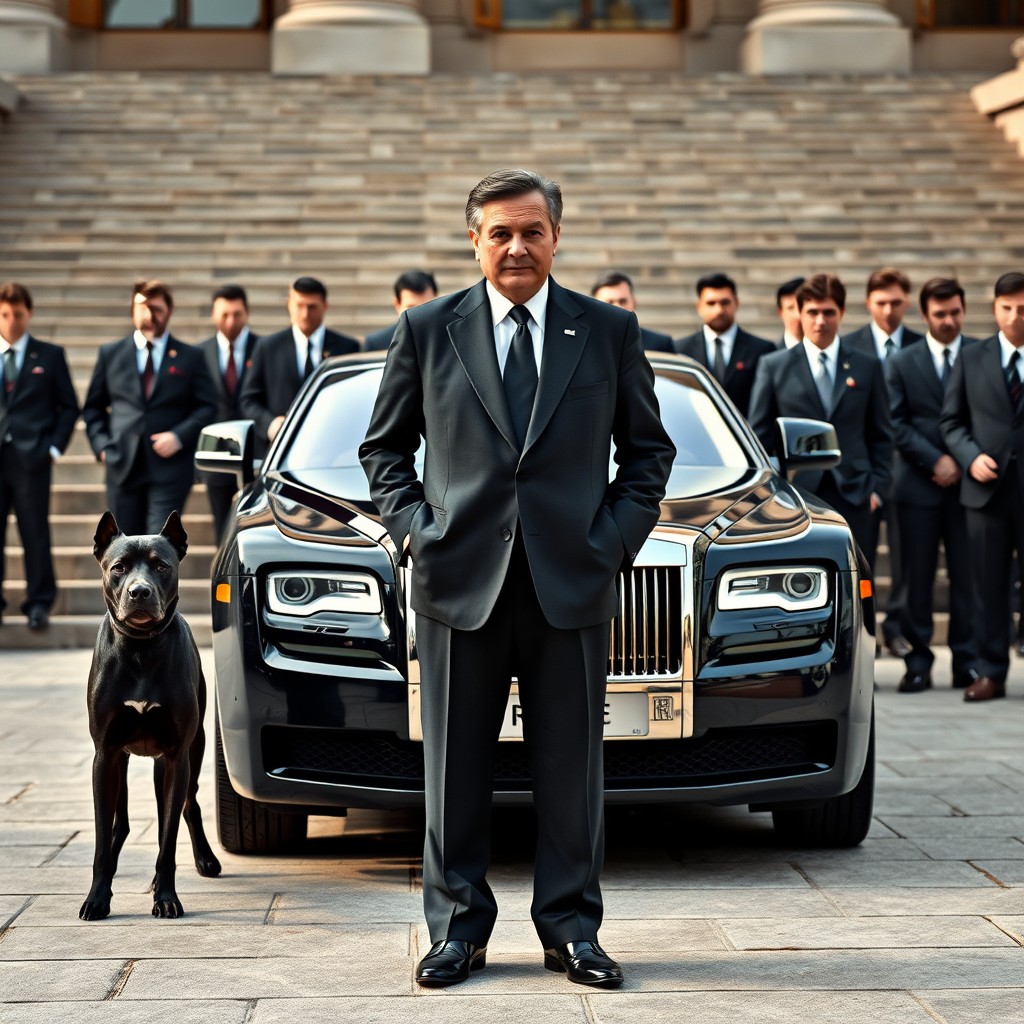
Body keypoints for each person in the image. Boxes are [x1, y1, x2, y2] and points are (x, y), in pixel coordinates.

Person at [359, 168, 674, 990]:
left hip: (570, 583)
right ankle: (457, 931)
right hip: (459, 584)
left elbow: (649, 456)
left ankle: (571, 930)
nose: (517, 246)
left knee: (570, 772)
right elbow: (383, 452)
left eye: (532, 230)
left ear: (556, 237)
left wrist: (608, 542)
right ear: (474, 241)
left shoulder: (606, 331)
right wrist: (419, 534)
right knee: (454, 770)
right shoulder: (428, 329)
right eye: (499, 232)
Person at [748, 273, 893, 569]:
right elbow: (759, 435)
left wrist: (877, 490)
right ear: (799, 313)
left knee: (860, 580)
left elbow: (882, 433)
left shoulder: (867, 365)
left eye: (828, 312)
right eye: (812, 312)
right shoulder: (774, 366)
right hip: (797, 496)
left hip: (857, 492)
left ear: (842, 312)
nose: (820, 321)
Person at [887, 278, 978, 693]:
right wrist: (936, 459)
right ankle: (917, 662)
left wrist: (963, 459)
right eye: (940, 314)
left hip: (971, 488)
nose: (948, 321)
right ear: (924, 315)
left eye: (955, 312)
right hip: (917, 488)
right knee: (915, 580)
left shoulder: (980, 355)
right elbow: (895, 423)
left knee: (968, 577)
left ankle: (967, 662)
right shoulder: (902, 361)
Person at [940, 271, 1024, 702]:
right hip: (985, 493)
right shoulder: (972, 358)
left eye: (1022, 309)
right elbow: (950, 421)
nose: (1014, 317)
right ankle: (990, 671)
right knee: (987, 586)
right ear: (994, 310)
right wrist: (971, 457)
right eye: (1007, 308)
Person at [82, 280, 217, 537]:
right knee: (124, 546)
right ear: (132, 310)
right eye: (142, 308)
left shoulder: (191, 356)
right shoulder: (111, 354)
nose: (149, 315)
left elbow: (207, 407)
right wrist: (101, 448)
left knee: (159, 545)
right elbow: (92, 409)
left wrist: (179, 436)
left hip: (170, 469)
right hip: (122, 464)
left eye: (156, 308)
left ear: (169, 310)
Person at [844, 267, 924, 658]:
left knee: (908, 556)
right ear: (867, 303)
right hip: (865, 473)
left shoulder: (920, 346)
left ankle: (898, 626)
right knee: (863, 556)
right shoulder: (851, 348)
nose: (889, 310)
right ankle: (867, 626)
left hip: (911, 472)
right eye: (881, 303)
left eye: (896, 302)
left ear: (907, 301)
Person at [0, 282, 80, 630]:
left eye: (18, 314)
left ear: (29, 313)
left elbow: (69, 407)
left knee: (35, 533)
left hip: (32, 461)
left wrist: (53, 447)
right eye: (4, 314)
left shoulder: (49, 355)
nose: (12, 321)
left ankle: (39, 602)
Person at [239, 276, 359, 455]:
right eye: (299, 305)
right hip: (280, 451)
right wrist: (271, 424)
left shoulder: (347, 347)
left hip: (332, 451)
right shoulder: (268, 347)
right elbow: (248, 400)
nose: (304, 314)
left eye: (312, 307)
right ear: (289, 304)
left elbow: (355, 400)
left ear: (325, 306)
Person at [197, 284, 260, 544]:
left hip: (258, 455)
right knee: (222, 534)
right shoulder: (200, 353)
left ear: (247, 313)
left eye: (237, 314)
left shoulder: (265, 348)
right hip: (218, 455)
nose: (231, 321)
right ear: (213, 314)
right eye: (224, 314)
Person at [672, 272, 775, 418]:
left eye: (725, 302)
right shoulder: (679, 350)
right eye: (711, 303)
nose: (719, 310)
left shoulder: (762, 350)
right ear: (699, 306)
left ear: (737, 303)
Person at [589, 270, 672, 352]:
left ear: (634, 302)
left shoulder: (660, 344)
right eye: (609, 302)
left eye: (623, 301)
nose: (618, 307)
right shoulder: (581, 343)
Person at [363, 270, 438, 351]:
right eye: (411, 308)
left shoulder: (450, 339)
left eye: (426, 306)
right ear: (397, 304)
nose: (419, 314)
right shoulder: (376, 344)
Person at [776, 276, 805, 349]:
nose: (798, 315)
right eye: (790, 308)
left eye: (802, 307)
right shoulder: (768, 356)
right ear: (780, 312)